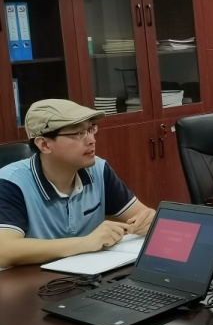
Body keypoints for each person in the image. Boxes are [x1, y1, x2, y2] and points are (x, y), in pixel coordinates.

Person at [0, 99, 155, 268]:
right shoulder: (10, 182)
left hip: (87, 275)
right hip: (31, 279)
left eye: (91, 129)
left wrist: (149, 219)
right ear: (44, 145)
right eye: (79, 133)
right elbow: (4, 250)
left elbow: (141, 214)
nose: (92, 140)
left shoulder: (98, 169)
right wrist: (85, 243)